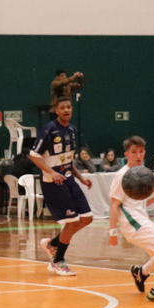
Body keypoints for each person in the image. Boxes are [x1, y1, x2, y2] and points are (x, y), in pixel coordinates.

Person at [108, 136, 154, 302]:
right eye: (134, 152)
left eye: (141, 151)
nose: (138, 155)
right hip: (133, 225)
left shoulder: (140, 173)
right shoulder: (122, 176)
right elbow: (114, 205)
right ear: (127, 154)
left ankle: (142, 273)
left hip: (140, 220)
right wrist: (112, 232)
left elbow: (136, 206)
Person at [30, 96, 94, 276]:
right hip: (54, 182)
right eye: (62, 108)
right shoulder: (49, 130)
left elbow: (68, 159)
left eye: (69, 107)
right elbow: (34, 155)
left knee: (86, 218)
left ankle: (53, 244)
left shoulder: (73, 130)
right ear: (56, 111)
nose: (66, 110)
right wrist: (51, 172)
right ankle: (58, 261)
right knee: (72, 222)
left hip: (69, 180)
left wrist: (80, 177)